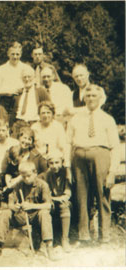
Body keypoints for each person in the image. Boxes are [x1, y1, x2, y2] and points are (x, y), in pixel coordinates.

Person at [67, 84, 120, 246]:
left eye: (94, 96)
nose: (90, 99)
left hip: (100, 156)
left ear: (100, 99)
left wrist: (112, 172)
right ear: (84, 98)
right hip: (79, 158)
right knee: (81, 197)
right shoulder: (76, 119)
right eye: (88, 96)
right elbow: (68, 143)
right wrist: (68, 168)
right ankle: (84, 236)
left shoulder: (107, 119)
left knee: (102, 195)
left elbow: (115, 147)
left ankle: (104, 236)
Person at [0, 161, 58, 261]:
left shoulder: (42, 185)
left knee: (44, 213)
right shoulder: (18, 185)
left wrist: (32, 206)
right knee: (6, 212)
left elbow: (48, 205)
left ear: (35, 173)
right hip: (22, 216)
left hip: (36, 216)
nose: (26, 179)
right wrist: (14, 207)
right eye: (23, 176)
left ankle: (49, 246)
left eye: (28, 176)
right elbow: (10, 204)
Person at [40, 149, 72, 253]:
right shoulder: (46, 175)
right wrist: (53, 199)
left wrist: (57, 198)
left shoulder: (66, 174)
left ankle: (65, 239)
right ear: (48, 164)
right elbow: (46, 195)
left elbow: (67, 195)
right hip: (52, 202)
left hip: (65, 203)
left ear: (62, 162)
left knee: (64, 205)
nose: (54, 166)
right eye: (51, 163)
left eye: (57, 162)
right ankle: (47, 241)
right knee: (45, 210)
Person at [0, 42, 29, 123]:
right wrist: (7, 92)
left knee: (18, 124)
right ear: (8, 54)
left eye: (17, 54)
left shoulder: (26, 68)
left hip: (21, 100)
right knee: (3, 124)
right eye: (13, 54)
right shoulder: (1, 69)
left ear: (21, 54)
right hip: (4, 101)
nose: (15, 57)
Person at [31, 101, 71, 168]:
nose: (46, 115)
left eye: (48, 112)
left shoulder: (58, 126)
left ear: (53, 114)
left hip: (54, 160)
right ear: (39, 115)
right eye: (43, 113)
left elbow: (64, 147)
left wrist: (66, 163)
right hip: (39, 161)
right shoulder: (34, 127)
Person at [12, 65, 50, 130]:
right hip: (19, 123)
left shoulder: (40, 91)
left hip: (35, 123)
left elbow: (49, 107)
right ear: (21, 79)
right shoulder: (18, 93)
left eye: (29, 77)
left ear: (34, 78)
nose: (27, 79)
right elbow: (12, 111)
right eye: (24, 77)